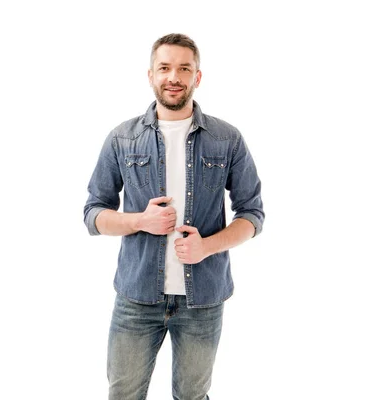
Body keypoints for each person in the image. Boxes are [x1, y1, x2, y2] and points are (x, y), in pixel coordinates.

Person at [83, 33, 264, 400]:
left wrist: (207, 246)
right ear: (150, 75)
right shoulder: (122, 139)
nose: (174, 77)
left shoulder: (227, 139)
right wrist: (138, 221)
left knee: (192, 397)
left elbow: (253, 214)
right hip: (136, 298)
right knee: (123, 394)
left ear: (197, 77)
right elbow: (93, 213)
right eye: (165, 67)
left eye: (184, 68)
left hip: (203, 301)